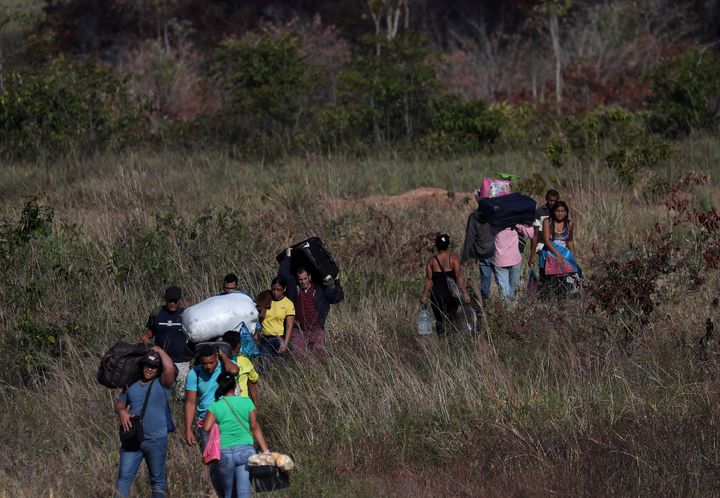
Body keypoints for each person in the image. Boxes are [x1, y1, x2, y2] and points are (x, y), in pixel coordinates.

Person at [115, 347, 176, 498]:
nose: (149, 369)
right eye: (147, 365)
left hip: (156, 439)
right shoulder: (131, 383)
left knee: (157, 481)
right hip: (133, 439)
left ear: (158, 369)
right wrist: (122, 411)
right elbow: (120, 403)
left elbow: (169, 368)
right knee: (123, 479)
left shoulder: (162, 384)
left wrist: (160, 350)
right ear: (142, 365)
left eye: (154, 367)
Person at [202, 372, 271, 498]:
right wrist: (266, 450)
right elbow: (254, 427)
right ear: (235, 385)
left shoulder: (215, 406)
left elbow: (206, 427)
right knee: (244, 493)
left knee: (229, 493)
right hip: (245, 451)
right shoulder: (247, 402)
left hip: (225, 453)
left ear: (219, 386)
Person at [184, 344, 240, 497]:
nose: (208, 366)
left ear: (216, 358)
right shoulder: (194, 374)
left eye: (211, 362)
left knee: (229, 460)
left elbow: (235, 371)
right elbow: (190, 402)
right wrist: (188, 428)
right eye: (205, 363)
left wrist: (223, 356)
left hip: (227, 422)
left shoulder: (224, 368)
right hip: (206, 424)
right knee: (214, 464)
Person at [279, 259, 344, 360]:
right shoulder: (295, 291)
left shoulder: (320, 290)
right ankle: (302, 375)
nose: (303, 282)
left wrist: (336, 281)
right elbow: (283, 275)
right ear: (297, 279)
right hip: (299, 330)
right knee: (298, 356)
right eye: (300, 279)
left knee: (319, 357)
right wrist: (287, 257)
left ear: (309, 277)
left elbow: (337, 297)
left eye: (305, 278)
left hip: (316, 329)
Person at [140, 286, 191, 398]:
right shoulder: (157, 313)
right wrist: (146, 336)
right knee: (160, 393)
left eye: (175, 301)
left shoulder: (186, 314)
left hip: (181, 362)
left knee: (181, 394)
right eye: (169, 301)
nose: (172, 304)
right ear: (165, 300)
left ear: (179, 301)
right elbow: (151, 329)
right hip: (160, 361)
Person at [420, 234, 471, 336]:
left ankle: (441, 341)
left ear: (436, 246)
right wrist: (465, 293)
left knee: (439, 320)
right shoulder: (453, 259)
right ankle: (450, 342)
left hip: (436, 295)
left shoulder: (431, 261)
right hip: (450, 294)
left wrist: (424, 296)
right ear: (448, 245)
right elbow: (459, 278)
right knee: (451, 319)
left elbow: (429, 279)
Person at [461, 189, 497, 303]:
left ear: (477, 199)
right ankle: (506, 305)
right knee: (501, 279)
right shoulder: (495, 213)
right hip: (497, 251)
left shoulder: (473, 217)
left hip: (482, 253)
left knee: (485, 281)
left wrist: (464, 257)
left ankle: (485, 304)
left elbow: (469, 237)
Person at [539, 201, 580, 296]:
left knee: (567, 279)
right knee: (548, 283)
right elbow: (546, 240)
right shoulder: (548, 221)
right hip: (549, 253)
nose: (560, 213)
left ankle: (563, 300)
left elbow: (569, 241)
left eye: (562, 211)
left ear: (566, 212)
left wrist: (573, 258)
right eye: (558, 211)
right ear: (553, 211)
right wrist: (557, 254)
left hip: (563, 254)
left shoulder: (569, 224)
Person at [492, 224, 535, 302]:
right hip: (514, 259)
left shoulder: (494, 220)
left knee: (504, 292)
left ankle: (507, 311)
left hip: (500, 260)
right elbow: (531, 233)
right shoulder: (515, 221)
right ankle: (512, 310)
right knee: (513, 290)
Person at [258, 277, 295, 367]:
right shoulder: (266, 298)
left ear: (284, 289)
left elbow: (290, 325)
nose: (275, 292)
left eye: (278, 290)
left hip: (278, 339)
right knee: (263, 366)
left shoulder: (288, 304)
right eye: (273, 289)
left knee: (279, 366)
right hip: (264, 338)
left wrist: (285, 344)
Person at [221, 330, 259, 405]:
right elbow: (252, 383)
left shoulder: (219, 362)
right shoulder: (245, 361)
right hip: (243, 404)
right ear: (238, 345)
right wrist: (255, 404)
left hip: (225, 404)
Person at [529, 189, 560, 268]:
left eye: (554, 201)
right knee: (544, 268)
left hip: (558, 244)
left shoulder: (560, 212)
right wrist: (532, 255)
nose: (552, 203)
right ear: (546, 199)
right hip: (542, 245)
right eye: (550, 200)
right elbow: (535, 235)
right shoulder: (539, 212)